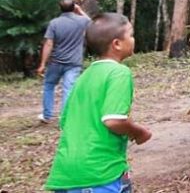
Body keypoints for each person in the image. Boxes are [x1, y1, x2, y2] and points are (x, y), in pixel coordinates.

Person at [44, 13, 152, 192]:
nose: (133, 39)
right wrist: (139, 132)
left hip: (66, 173)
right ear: (117, 44)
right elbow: (113, 120)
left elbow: (65, 120)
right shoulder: (119, 72)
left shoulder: (84, 77)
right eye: (131, 35)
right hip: (101, 174)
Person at [36, 0, 91, 123]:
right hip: (74, 63)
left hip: (56, 62)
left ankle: (47, 115)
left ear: (60, 8)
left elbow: (48, 44)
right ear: (74, 7)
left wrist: (43, 64)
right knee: (68, 89)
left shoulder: (54, 23)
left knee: (49, 86)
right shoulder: (82, 21)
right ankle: (65, 118)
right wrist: (80, 10)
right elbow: (92, 23)